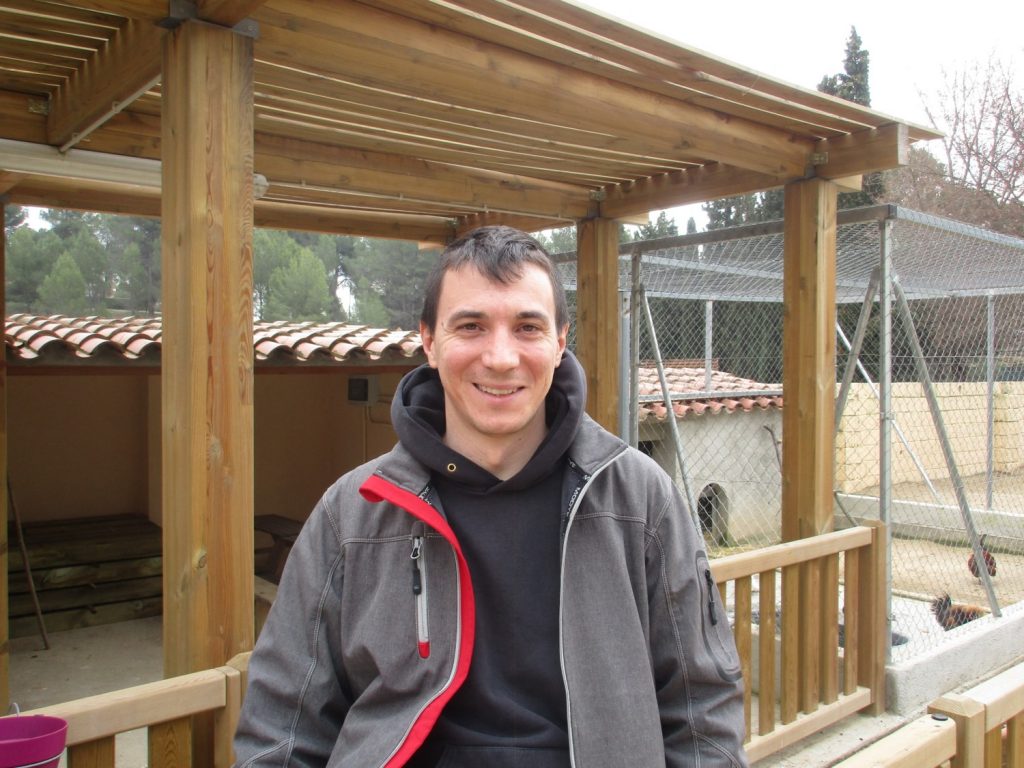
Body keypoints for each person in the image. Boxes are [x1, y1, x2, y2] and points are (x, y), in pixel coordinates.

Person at [233, 226, 748, 767]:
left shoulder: (641, 499)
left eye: (528, 327)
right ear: (429, 342)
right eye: (471, 326)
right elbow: (282, 726)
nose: (501, 358)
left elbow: (702, 708)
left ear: (560, 342)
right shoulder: (353, 511)